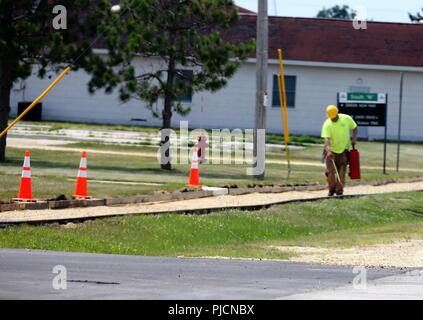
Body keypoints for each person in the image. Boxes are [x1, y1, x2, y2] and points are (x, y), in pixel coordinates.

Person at [321, 105, 358, 196]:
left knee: (341, 172)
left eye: (334, 117)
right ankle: (331, 190)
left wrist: (353, 138)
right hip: (332, 151)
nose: (332, 119)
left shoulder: (346, 118)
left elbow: (355, 128)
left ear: (337, 113)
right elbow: (327, 139)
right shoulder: (327, 124)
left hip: (344, 150)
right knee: (330, 172)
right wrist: (328, 150)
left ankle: (339, 191)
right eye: (331, 118)